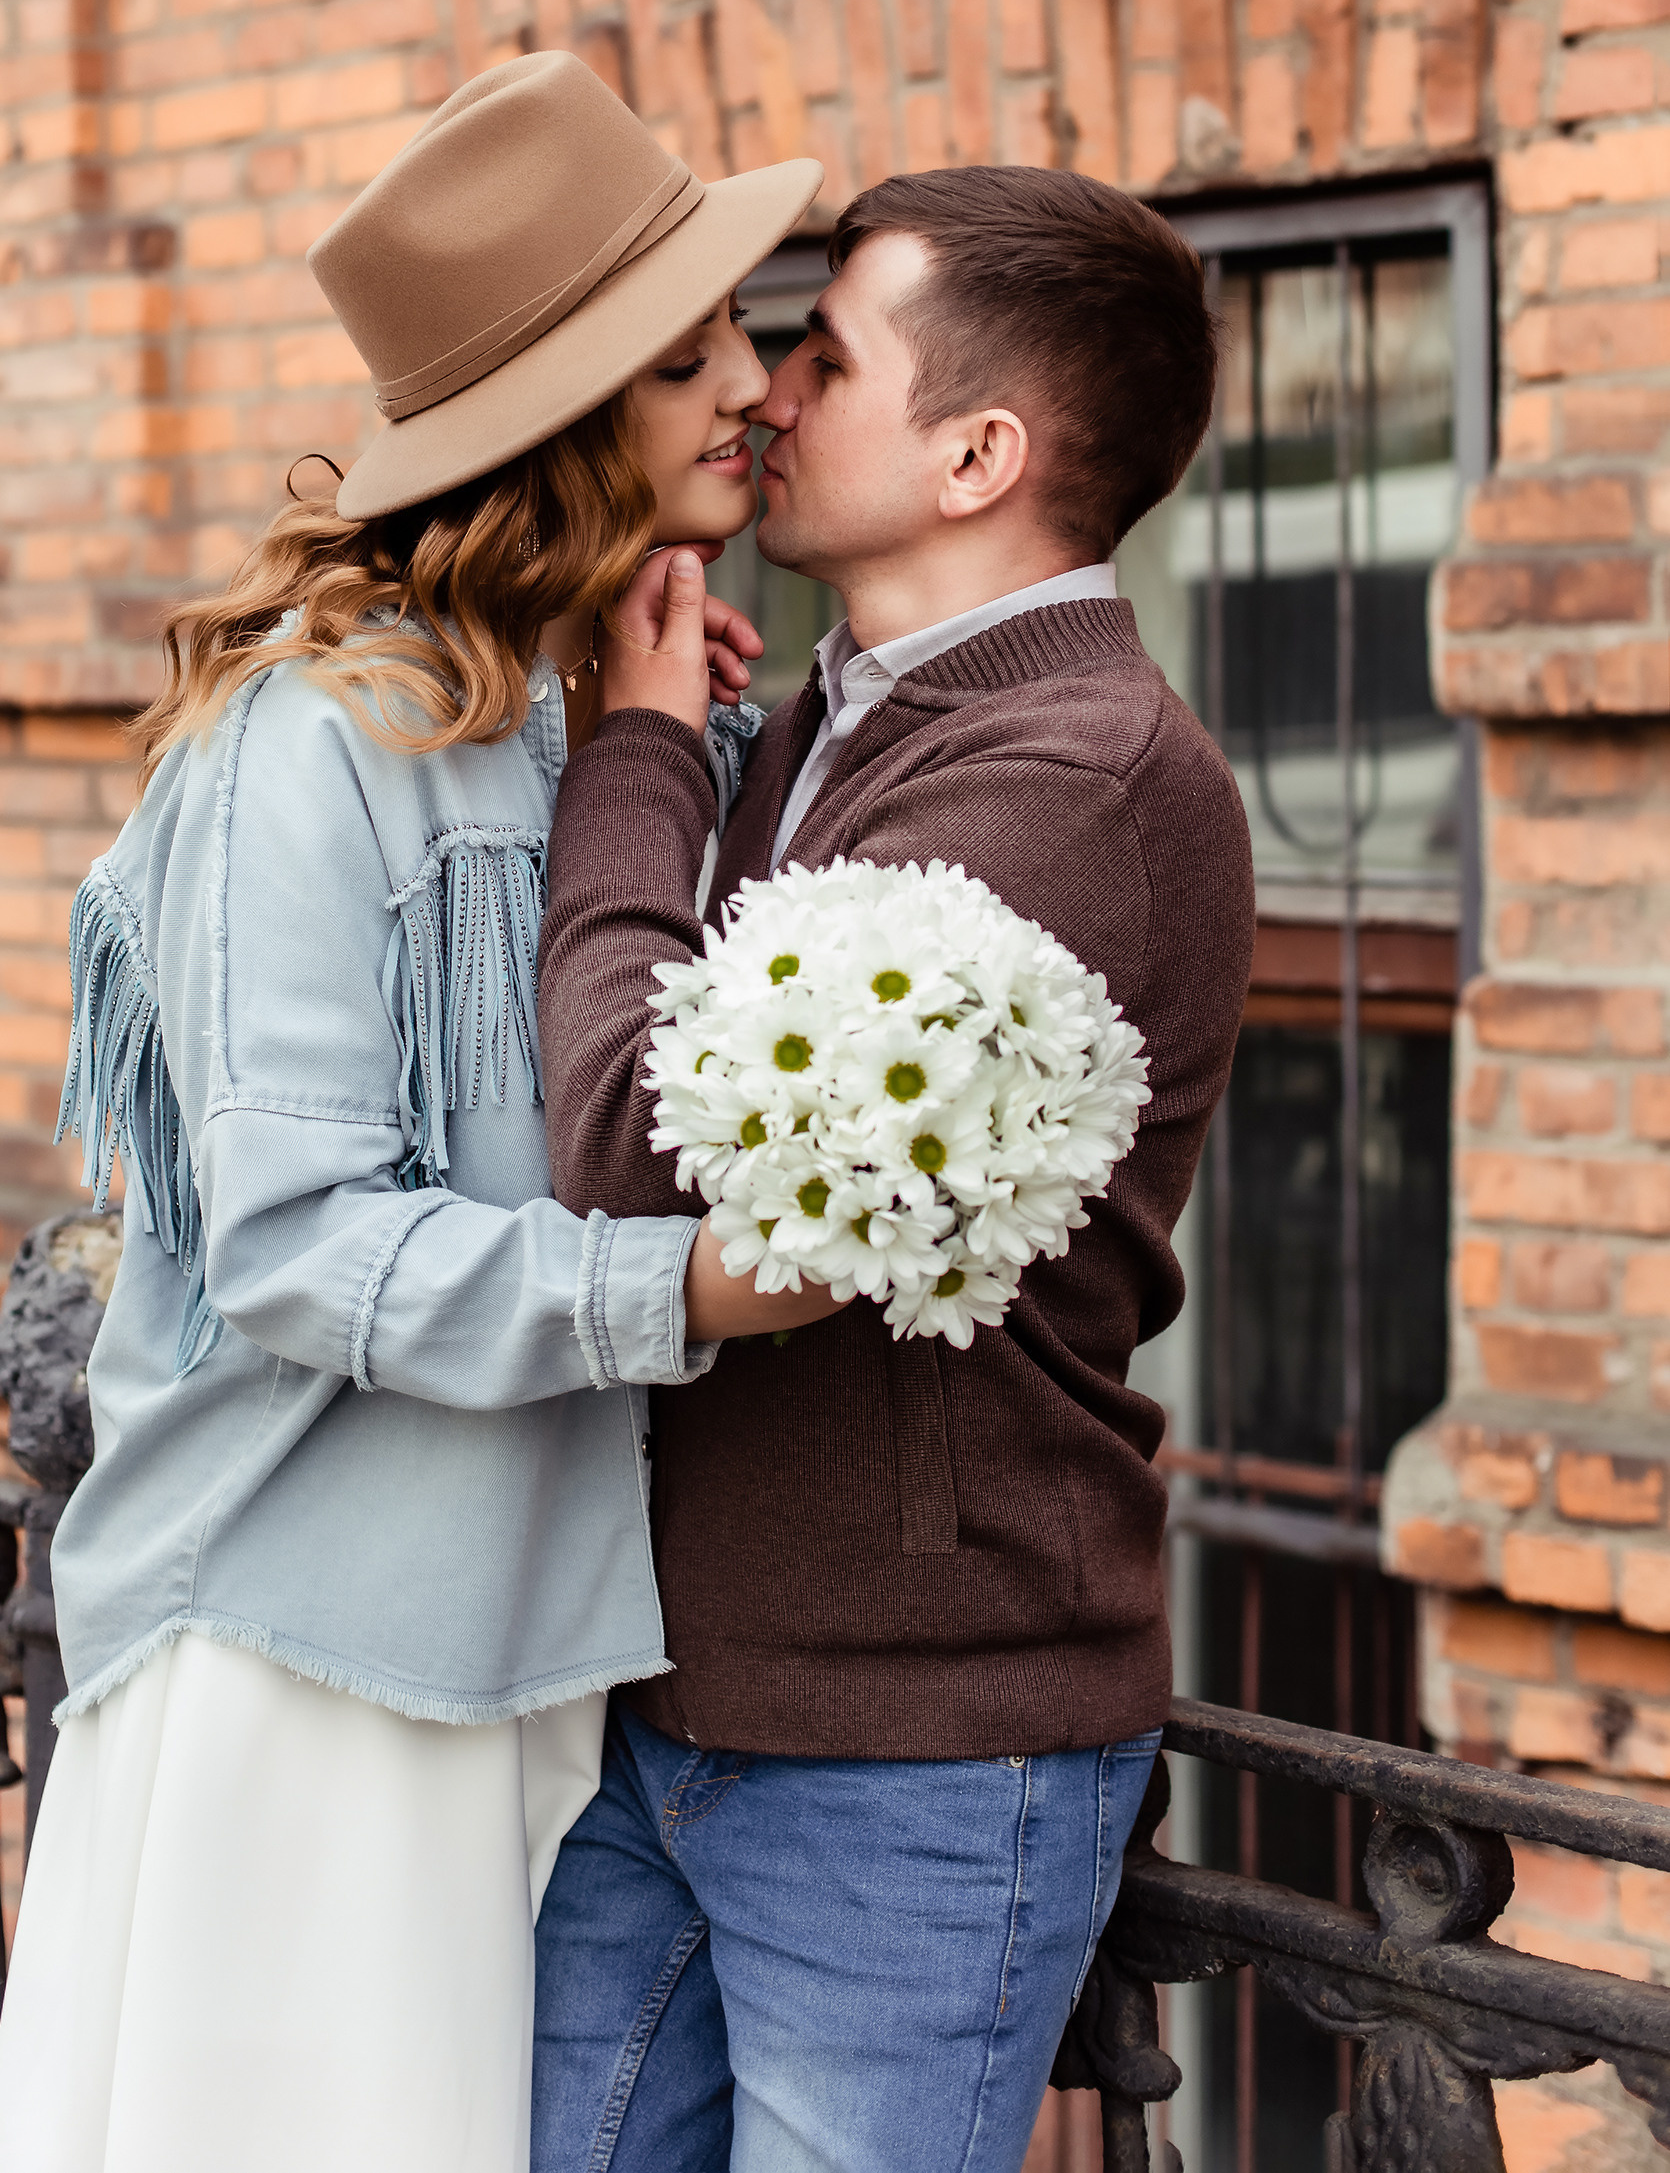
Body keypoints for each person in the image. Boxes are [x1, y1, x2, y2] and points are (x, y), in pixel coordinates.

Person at [0, 49, 831, 2173]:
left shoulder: (578, 716)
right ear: (565, 415)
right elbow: (288, 1240)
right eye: (688, 349)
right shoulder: (309, 742)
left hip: (527, 1647)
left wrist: (659, 747)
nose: (755, 377)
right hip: (306, 1663)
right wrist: (687, 1291)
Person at [532, 163, 1257, 2173]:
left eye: (826, 354)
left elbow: (631, 1155)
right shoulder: (835, 718)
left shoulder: (1074, 773)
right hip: (666, 1693)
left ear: (974, 450)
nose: (767, 390)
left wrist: (636, 745)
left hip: (919, 1755)